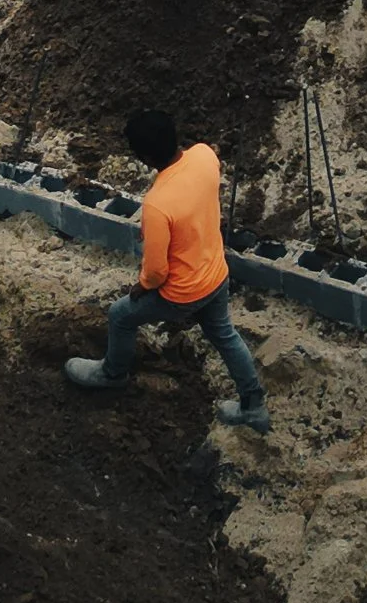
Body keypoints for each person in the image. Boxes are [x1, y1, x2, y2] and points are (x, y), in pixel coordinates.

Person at [64, 108, 272, 433]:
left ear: (145, 157)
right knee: (226, 336)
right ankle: (254, 405)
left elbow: (157, 272)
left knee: (120, 315)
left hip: (183, 293)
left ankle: (112, 374)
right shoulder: (204, 155)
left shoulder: (158, 204)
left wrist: (141, 286)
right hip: (216, 273)